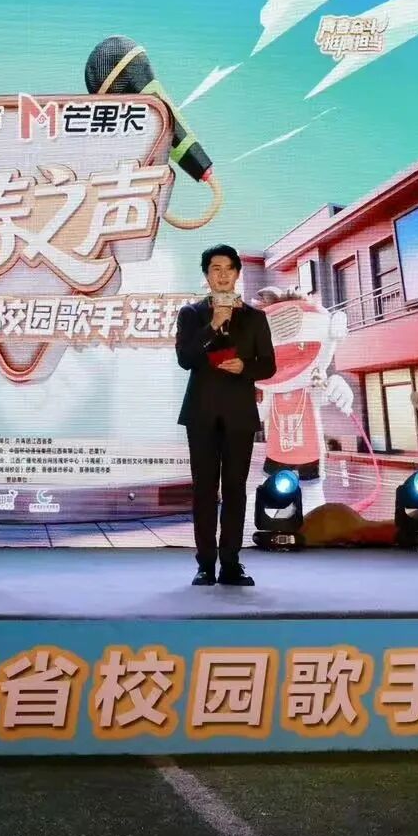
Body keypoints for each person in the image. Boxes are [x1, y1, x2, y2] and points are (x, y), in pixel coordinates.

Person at [175, 245, 276, 586]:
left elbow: (269, 365)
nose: (222, 274)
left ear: (237, 273)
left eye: (228, 268)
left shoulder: (255, 317)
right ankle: (205, 565)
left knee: (235, 489)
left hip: (239, 415)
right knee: (204, 490)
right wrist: (212, 325)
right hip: (201, 414)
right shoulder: (191, 314)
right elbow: (185, 359)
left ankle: (231, 563)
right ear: (206, 275)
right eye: (215, 268)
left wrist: (245, 366)